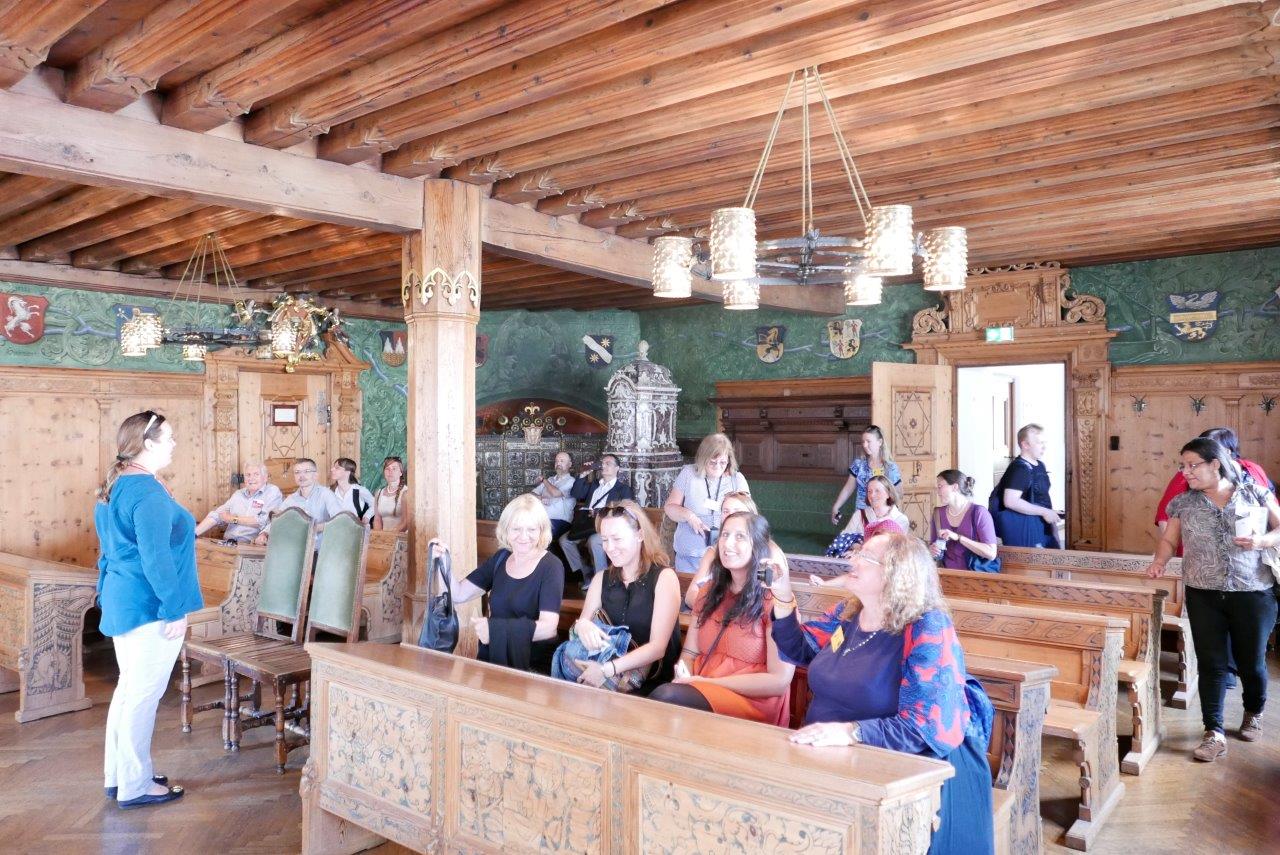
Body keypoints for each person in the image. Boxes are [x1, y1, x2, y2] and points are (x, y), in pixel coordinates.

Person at [771, 532, 995, 854]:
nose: (853, 560)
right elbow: (800, 649)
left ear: (896, 573)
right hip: (828, 755)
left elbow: (924, 726)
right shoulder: (848, 614)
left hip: (899, 771)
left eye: (866, 557)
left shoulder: (927, 626)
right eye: (857, 552)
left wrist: (851, 732)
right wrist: (782, 594)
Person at [1147, 437, 1280, 762]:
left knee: (1251, 662)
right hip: (1203, 592)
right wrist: (1160, 561)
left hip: (1252, 591)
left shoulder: (1255, 493)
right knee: (1211, 663)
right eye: (1183, 465)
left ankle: (1253, 712)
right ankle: (1213, 732)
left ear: (1215, 464)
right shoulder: (1182, 502)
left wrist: (1261, 541)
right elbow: (1169, 540)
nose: (1186, 472)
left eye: (1192, 465)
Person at [95, 411, 203, 809]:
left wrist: (103, 592)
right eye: (169, 437)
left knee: (129, 692)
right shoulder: (147, 493)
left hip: (124, 598)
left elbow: (107, 553)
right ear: (148, 443)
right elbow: (156, 558)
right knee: (141, 696)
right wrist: (174, 609)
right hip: (149, 605)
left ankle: (119, 775)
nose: (174, 443)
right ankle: (136, 785)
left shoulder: (117, 485)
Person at [649, 512, 793, 725]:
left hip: (750, 699)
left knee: (666, 697)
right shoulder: (708, 592)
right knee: (665, 699)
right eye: (724, 534)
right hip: (702, 685)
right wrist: (683, 673)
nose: (727, 543)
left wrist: (708, 684)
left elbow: (779, 681)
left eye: (740, 536)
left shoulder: (775, 600)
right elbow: (690, 652)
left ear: (759, 546)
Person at [434, 494, 565, 674]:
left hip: (532, 665)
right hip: (494, 657)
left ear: (541, 531)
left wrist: (494, 631)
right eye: (516, 529)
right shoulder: (501, 558)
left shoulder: (551, 566)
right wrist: (443, 562)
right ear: (506, 529)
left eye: (532, 529)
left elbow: (548, 628)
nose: (524, 537)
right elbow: (459, 594)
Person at [569, 500, 682, 696]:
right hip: (607, 673)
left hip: (652, 681)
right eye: (604, 540)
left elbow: (657, 648)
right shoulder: (601, 579)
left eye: (617, 539)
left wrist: (606, 670)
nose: (609, 547)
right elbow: (582, 623)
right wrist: (582, 625)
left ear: (640, 535)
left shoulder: (664, 578)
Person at [1155, 427, 1273, 545]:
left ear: (1227, 452)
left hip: (1252, 546)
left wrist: (1264, 541)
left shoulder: (1252, 471)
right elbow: (1165, 517)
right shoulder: (1188, 475)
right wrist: (1174, 548)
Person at [682, 491, 786, 611]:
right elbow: (690, 596)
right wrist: (719, 612)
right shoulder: (713, 553)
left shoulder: (770, 551)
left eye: (738, 511)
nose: (730, 516)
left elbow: (776, 599)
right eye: (726, 511)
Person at [664, 433, 751, 573]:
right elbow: (670, 508)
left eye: (723, 462)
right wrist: (689, 516)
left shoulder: (737, 479)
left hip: (725, 556)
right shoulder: (688, 474)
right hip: (690, 555)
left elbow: (749, 516)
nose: (718, 466)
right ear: (703, 458)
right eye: (712, 462)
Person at [561, 453, 633, 589]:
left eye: (608, 463)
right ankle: (586, 573)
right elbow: (576, 494)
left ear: (617, 468)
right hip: (586, 524)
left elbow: (626, 511)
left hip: (606, 526)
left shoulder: (623, 489)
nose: (604, 466)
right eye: (602, 463)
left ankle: (602, 580)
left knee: (594, 541)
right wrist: (582, 475)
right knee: (565, 541)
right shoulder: (594, 485)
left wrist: (602, 513)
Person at [989, 424, 1061, 548]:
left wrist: (1052, 526)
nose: (1044, 446)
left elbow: (1042, 499)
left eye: (1044, 442)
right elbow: (1010, 501)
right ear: (1025, 445)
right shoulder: (1019, 469)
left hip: (1042, 528)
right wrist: (1045, 512)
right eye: (1039, 442)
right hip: (1026, 533)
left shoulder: (1040, 465)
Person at [253, 458, 344, 546]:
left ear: (316, 475)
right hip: (296, 550)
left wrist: (314, 528)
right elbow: (277, 520)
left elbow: (340, 521)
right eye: (297, 472)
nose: (301, 476)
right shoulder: (291, 499)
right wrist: (264, 534)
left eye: (306, 471)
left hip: (321, 550)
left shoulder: (326, 494)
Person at [194, 461, 281, 542]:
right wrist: (193, 534)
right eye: (248, 475)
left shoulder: (272, 492)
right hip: (228, 542)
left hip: (250, 544)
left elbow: (263, 520)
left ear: (265, 478)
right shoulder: (238, 494)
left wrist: (233, 519)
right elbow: (217, 515)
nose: (251, 478)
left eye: (256, 474)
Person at [830, 425, 902, 523]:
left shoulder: (890, 467)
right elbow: (848, 488)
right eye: (863, 442)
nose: (864, 445)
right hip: (862, 516)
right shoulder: (858, 464)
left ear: (880, 442)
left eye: (868, 441)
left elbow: (899, 493)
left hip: (883, 518)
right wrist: (836, 506)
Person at [825, 475, 909, 557]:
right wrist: (857, 548)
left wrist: (863, 550)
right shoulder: (859, 514)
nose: (872, 495)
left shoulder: (900, 519)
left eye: (877, 491)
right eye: (869, 491)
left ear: (888, 494)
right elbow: (844, 538)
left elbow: (893, 550)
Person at [931, 469, 999, 569]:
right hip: (946, 574)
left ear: (955, 487)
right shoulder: (937, 514)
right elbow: (933, 546)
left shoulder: (979, 513)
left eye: (940, 486)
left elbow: (991, 553)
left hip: (975, 575)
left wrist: (958, 537)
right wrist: (932, 550)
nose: (937, 491)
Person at [534, 451, 578, 541]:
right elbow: (531, 494)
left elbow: (556, 493)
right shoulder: (550, 479)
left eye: (562, 461)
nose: (558, 463)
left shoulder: (572, 481)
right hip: (542, 519)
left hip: (560, 521)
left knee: (538, 535)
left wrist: (543, 480)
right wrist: (540, 497)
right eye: (556, 461)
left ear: (570, 464)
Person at [330, 457, 375, 525]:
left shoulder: (359, 490)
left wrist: (366, 517)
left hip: (356, 530)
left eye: (337, 468)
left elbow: (374, 505)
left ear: (348, 472)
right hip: (334, 529)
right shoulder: (329, 491)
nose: (332, 469)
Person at [371, 456, 410, 533]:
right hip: (384, 537)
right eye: (387, 469)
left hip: (401, 537)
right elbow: (377, 519)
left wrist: (390, 536)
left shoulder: (406, 492)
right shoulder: (379, 493)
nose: (390, 471)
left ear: (401, 472)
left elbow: (406, 523)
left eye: (394, 469)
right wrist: (379, 536)